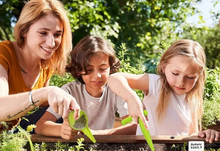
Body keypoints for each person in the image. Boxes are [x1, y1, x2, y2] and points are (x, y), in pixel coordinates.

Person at [107, 39, 219, 143]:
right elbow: (114, 78)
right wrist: (131, 98)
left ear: (199, 76)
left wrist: (204, 134)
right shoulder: (156, 84)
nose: (181, 82)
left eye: (190, 77)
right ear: (164, 67)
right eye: (175, 73)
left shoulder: (192, 99)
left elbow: (192, 134)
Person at [0, 0, 80, 132]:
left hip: (13, 138)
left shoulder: (46, 64)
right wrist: (46, 92)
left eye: (57, 35)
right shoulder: (4, 52)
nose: (51, 43)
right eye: (43, 33)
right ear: (24, 31)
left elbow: (39, 108)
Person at [35, 36, 136, 140]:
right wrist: (61, 130)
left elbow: (133, 125)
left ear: (110, 67)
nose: (97, 75)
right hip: (74, 148)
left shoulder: (116, 89)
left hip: (104, 146)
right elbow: (40, 125)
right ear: (78, 69)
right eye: (89, 69)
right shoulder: (69, 91)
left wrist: (96, 133)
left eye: (102, 68)